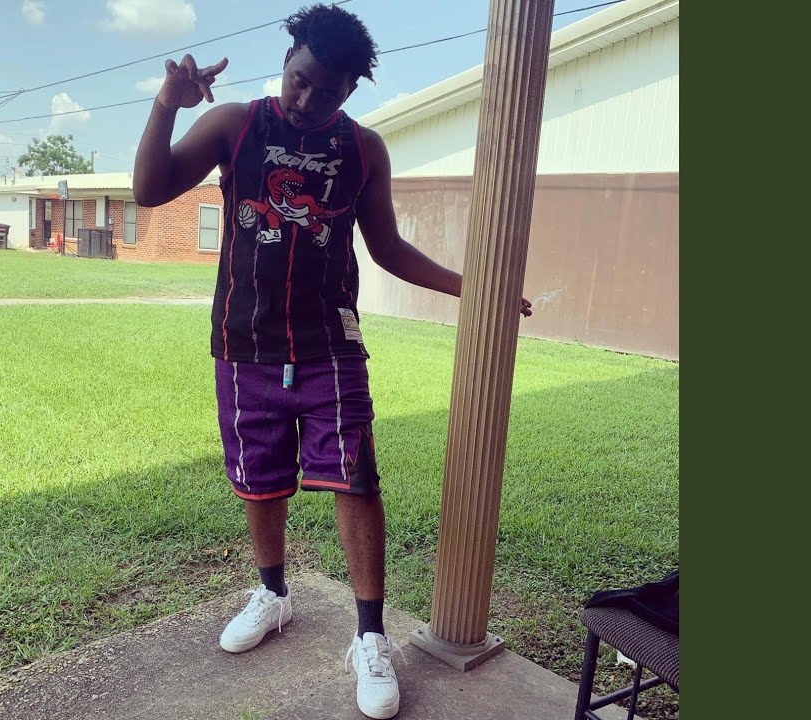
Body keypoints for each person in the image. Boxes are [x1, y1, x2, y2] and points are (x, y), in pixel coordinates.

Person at [133, 5, 532, 718]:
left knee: (355, 478)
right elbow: (149, 189)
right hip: (245, 343)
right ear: (286, 63)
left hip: (330, 346)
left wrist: (477, 287)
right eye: (299, 80)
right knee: (260, 481)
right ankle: (272, 594)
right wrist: (167, 103)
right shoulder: (234, 125)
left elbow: (388, 248)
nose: (306, 99)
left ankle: (370, 637)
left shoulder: (363, 149)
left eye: (327, 90)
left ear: (350, 90)